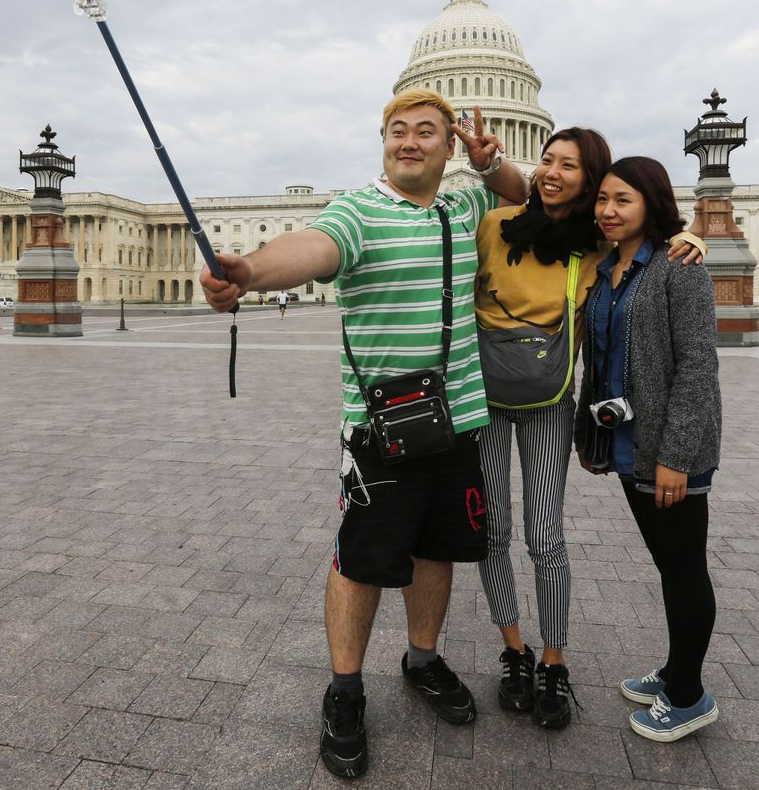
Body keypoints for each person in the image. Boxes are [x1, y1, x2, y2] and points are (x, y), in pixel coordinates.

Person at [201, 89, 528, 780]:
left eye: (425, 133)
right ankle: (344, 689)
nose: (408, 142)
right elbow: (312, 248)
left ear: (449, 147)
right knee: (360, 559)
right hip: (379, 427)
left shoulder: (463, 204)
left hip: (458, 418)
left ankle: (423, 659)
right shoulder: (357, 209)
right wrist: (251, 271)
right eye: (397, 131)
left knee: (437, 551)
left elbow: (524, 195)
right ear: (384, 143)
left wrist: (491, 162)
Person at [474, 128, 704, 730]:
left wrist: (685, 234)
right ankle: (513, 650)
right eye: (545, 160)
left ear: (591, 179)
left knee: (545, 531)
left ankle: (554, 660)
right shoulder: (493, 223)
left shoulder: (597, 250)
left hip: (550, 400)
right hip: (486, 396)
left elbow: (649, 253)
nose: (551, 172)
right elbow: (510, 189)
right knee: (491, 528)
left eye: (568, 166)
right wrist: (493, 163)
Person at [575, 156, 722, 743]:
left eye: (624, 200)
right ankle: (675, 669)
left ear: (651, 205)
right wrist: (595, 439)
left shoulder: (678, 267)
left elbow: (697, 367)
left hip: (670, 449)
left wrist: (677, 457)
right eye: (604, 199)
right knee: (668, 565)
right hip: (628, 444)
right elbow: (602, 363)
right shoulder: (605, 266)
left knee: (685, 569)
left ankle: (690, 696)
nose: (609, 211)